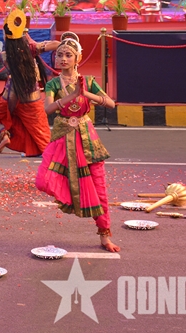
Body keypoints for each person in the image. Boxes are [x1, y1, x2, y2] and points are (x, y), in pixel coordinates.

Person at [36, 34, 119, 253]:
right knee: (43, 180)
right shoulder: (53, 84)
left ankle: (105, 235)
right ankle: (69, 198)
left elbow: (110, 103)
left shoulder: (88, 81)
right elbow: (48, 109)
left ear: (77, 59)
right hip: (62, 138)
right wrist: (72, 94)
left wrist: (86, 94)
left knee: (99, 189)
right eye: (59, 55)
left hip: (87, 140)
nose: (63, 59)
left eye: (68, 55)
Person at [0, 9, 59, 157]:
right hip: (30, 99)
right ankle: (51, 156)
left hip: (9, 98)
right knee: (42, 134)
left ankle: (3, 135)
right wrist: (31, 41)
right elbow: (56, 44)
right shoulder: (31, 49)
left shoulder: (5, 56)